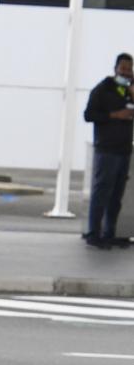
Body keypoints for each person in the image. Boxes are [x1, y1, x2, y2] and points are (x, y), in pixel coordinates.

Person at [83, 53, 134, 249]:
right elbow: (88, 115)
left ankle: (110, 233)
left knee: (116, 195)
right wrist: (114, 115)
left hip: (124, 150)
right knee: (101, 191)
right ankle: (93, 233)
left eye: (129, 69)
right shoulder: (103, 89)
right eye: (123, 69)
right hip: (106, 149)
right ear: (115, 69)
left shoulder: (129, 90)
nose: (127, 73)